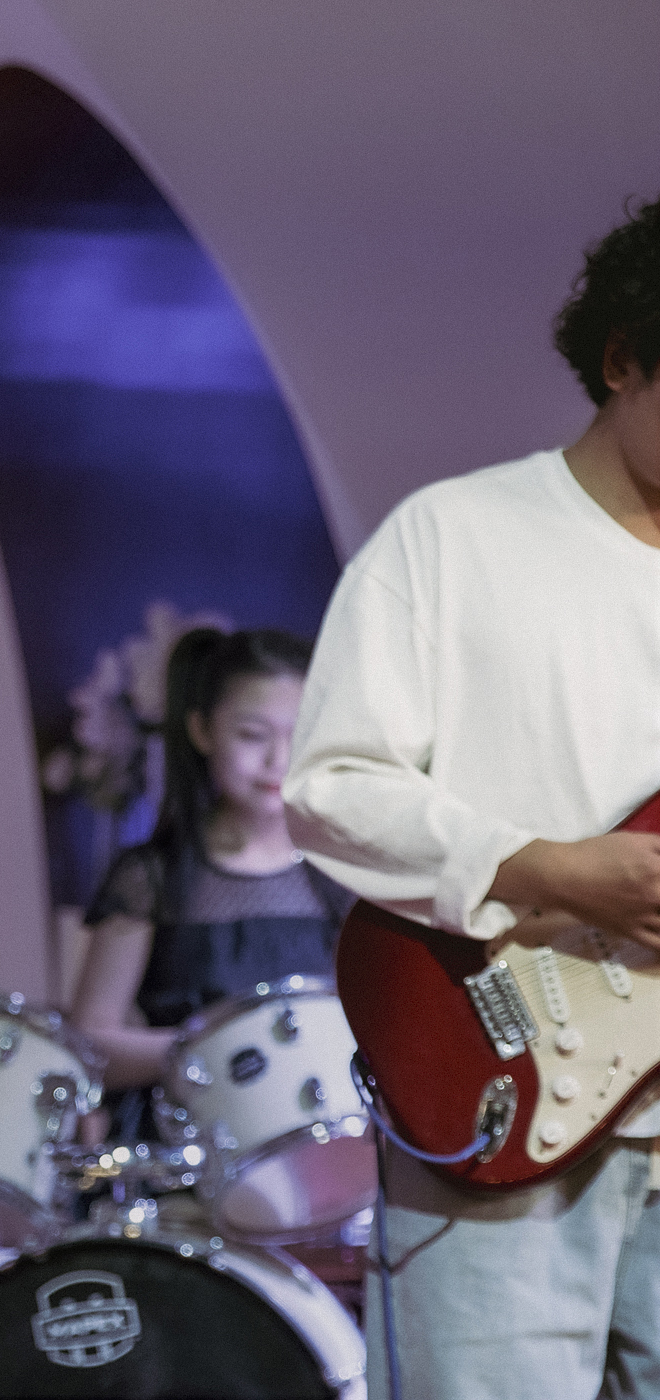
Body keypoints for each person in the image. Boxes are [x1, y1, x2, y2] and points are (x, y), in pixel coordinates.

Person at [284, 196, 660, 1399]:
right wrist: (542, 867)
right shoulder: (454, 537)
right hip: (504, 1089)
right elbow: (331, 789)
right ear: (622, 358)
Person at [71, 627, 351, 1139]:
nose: (277, 760)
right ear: (201, 731)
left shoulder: (344, 872)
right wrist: (224, 1047)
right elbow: (88, 1045)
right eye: (252, 735)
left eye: (298, 735)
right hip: (184, 1146)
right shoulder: (151, 876)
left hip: (322, 1145)